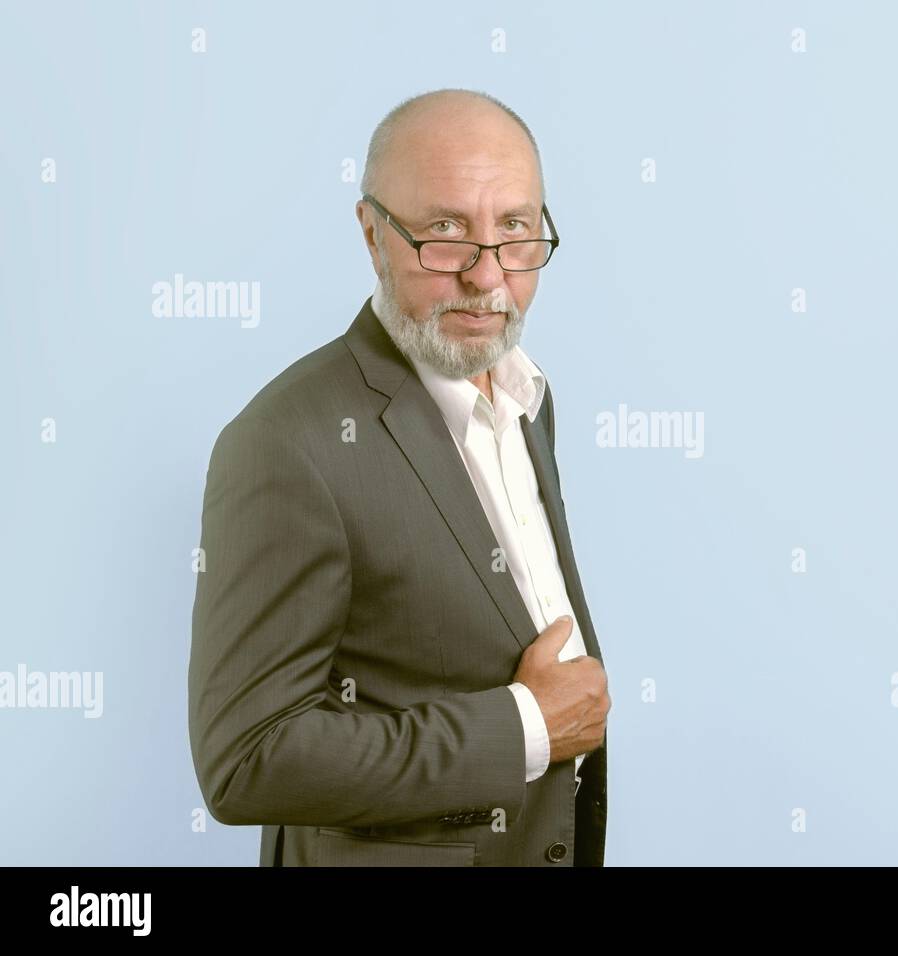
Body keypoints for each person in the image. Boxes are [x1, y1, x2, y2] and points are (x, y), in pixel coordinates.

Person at [188, 89, 610, 866]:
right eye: (446, 233)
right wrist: (527, 727)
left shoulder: (526, 395)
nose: (490, 280)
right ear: (373, 233)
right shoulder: (286, 444)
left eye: (515, 230)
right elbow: (246, 759)